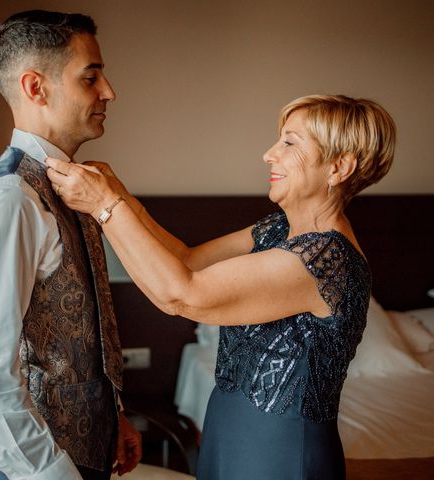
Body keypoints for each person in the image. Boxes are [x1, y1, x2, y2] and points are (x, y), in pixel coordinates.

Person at [46, 94, 396, 479]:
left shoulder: (325, 260)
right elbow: (188, 259)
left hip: (279, 452)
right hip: (229, 429)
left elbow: (182, 294)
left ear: (338, 167)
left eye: (290, 142)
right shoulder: (280, 228)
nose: (269, 154)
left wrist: (105, 206)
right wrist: (121, 195)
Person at [0, 10, 141, 480]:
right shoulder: (10, 201)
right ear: (36, 88)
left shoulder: (70, 183)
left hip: (90, 449)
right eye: (91, 77)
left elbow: (79, 325)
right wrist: (50, 472)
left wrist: (110, 415)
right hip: (40, 465)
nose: (109, 92)